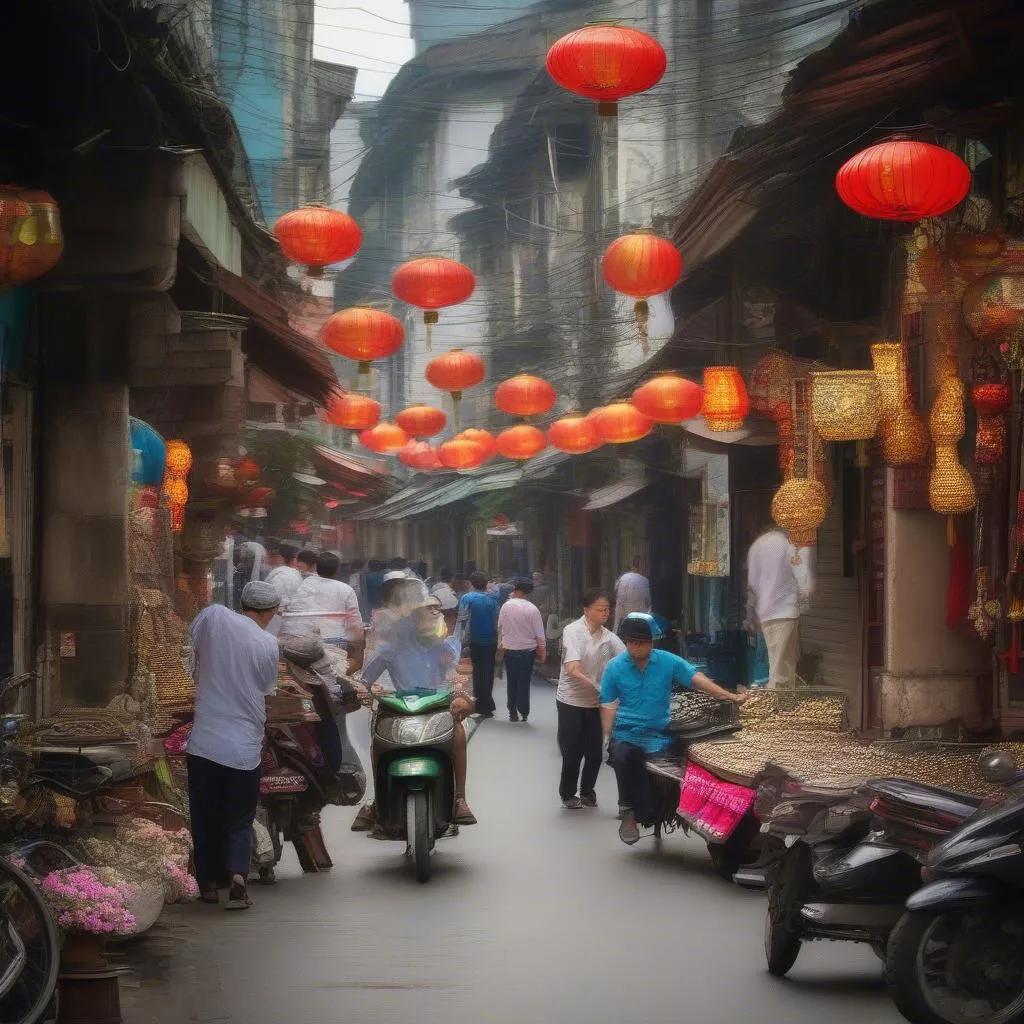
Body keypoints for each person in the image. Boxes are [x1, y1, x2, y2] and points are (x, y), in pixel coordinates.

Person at [600, 613, 746, 845]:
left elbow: (697, 679)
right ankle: (628, 809)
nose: (637, 646)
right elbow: (608, 703)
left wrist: (729, 696)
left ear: (651, 642)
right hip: (627, 734)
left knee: (696, 768)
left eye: (643, 642)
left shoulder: (668, 661)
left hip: (661, 735)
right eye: (633, 642)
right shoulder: (614, 667)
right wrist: (607, 737)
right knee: (624, 755)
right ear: (626, 642)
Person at [186, 581, 281, 910]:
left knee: (205, 816)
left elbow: (192, 652)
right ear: (268, 612)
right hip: (243, 747)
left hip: (204, 743)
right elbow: (268, 686)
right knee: (239, 817)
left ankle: (209, 885)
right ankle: (239, 875)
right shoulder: (267, 642)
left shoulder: (214, 616)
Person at [355, 587, 477, 828]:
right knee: (377, 741)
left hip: (438, 708)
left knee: (458, 735)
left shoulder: (443, 647)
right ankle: (378, 799)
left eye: (436, 610)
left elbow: (453, 676)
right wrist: (366, 692)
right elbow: (365, 681)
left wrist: (463, 695)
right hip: (397, 708)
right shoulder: (388, 648)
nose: (434, 615)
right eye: (427, 611)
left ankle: (460, 799)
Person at [556, 589, 624, 809]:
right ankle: (567, 793)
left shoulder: (609, 637)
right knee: (572, 750)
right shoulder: (572, 631)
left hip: (596, 702)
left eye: (608, 609)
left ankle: (587, 791)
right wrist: (598, 685)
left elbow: (625, 660)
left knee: (595, 753)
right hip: (571, 699)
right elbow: (572, 668)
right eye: (600, 608)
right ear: (586, 610)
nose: (606, 612)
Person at [284, 551, 365, 672]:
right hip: (334, 640)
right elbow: (354, 623)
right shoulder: (345, 589)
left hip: (303, 639)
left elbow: (292, 609)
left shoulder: (304, 585)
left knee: (307, 675)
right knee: (333, 675)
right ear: (337, 569)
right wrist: (359, 643)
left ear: (316, 567)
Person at [745, 526, 804, 689]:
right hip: (785, 612)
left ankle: (776, 704)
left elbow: (753, 584)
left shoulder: (757, 547)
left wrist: (752, 615)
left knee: (775, 663)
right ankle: (779, 708)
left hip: (766, 614)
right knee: (782, 670)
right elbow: (801, 576)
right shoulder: (788, 546)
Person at [497, 578, 546, 723]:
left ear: (517, 591)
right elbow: (540, 635)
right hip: (527, 652)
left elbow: (500, 628)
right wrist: (542, 653)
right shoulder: (533, 609)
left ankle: (512, 711)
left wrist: (499, 647)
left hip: (510, 650)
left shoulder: (506, 606)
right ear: (528, 593)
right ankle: (524, 711)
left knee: (512, 680)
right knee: (524, 681)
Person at [457, 571, 499, 717]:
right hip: (491, 641)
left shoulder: (467, 598)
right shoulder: (492, 601)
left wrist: (460, 641)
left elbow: (462, 620)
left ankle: (479, 704)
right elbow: (497, 623)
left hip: (474, 640)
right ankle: (486, 704)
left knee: (478, 672)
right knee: (488, 672)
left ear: (471, 584)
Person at [613, 562, 652, 630]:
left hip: (621, 603)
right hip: (637, 606)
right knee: (635, 622)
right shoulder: (644, 580)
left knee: (618, 621)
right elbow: (647, 599)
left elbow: (615, 588)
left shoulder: (623, 577)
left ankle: (617, 634)